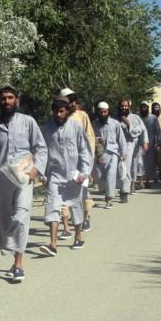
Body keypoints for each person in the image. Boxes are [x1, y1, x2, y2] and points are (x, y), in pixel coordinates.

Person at [0, 85, 47, 283]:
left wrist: (36, 169)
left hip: (23, 179)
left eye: (10, 98)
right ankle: (11, 251)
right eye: (3, 98)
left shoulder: (28, 122)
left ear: (16, 100)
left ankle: (18, 263)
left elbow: (41, 148)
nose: (6, 101)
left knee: (21, 216)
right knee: (5, 220)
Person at [39, 97, 93, 255]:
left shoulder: (76, 127)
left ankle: (78, 236)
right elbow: (42, 153)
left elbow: (84, 151)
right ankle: (53, 244)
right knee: (52, 206)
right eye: (56, 111)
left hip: (75, 174)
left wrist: (84, 173)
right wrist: (43, 175)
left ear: (67, 112)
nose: (58, 114)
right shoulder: (47, 129)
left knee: (76, 205)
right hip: (54, 174)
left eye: (61, 111)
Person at [63, 89, 97, 230]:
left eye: (70, 101)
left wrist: (88, 163)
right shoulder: (59, 116)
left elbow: (90, 138)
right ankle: (68, 224)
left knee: (82, 190)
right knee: (64, 192)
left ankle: (86, 217)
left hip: (81, 163)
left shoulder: (82, 116)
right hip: (65, 163)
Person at [92, 101, 128, 207]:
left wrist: (124, 152)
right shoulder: (94, 124)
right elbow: (90, 138)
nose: (103, 114)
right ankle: (105, 189)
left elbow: (121, 138)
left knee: (110, 176)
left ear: (108, 111)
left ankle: (109, 198)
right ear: (98, 112)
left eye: (105, 112)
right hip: (99, 154)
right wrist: (98, 140)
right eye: (101, 112)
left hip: (113, 153)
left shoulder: (115, 123)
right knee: (98, 176)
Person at [118, 98, 147, 196]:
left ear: (129, 107)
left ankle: (126, 189)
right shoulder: (114, 118)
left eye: (125, 106)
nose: (124, 108)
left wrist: (129, 124)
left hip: (130, 144)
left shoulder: (135, 117)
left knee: (129, 166)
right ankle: (121, 187)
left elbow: (141, 130)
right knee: (119, 168)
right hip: (116, 145)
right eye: (122, 106)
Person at [139, 101, 161, 187]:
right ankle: (140, 181)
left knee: (148, 164)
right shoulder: (137, 117)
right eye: (142, 107)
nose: (143, 109)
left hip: (150, 145)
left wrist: (159, 143)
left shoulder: (153, 118)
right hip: (139, 144)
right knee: (140, 163)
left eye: (145, 107)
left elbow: (158, 131)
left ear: (148, 108)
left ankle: (146, 181)